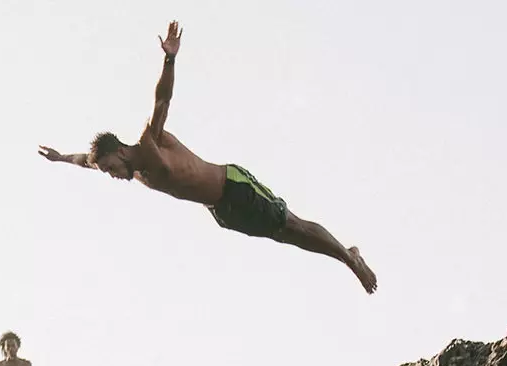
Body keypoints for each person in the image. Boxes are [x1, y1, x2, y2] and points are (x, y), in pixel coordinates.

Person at [38, 22, 376, 294]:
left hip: (233, 185)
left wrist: (169, 59)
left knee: (292, 224)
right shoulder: (134, 171)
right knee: (285, 235)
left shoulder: (149, 142)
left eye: (111, 168)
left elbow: (162, 101)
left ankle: (350, 258)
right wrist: (60, 157)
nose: (112, 175)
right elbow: (86, 159)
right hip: (222, 211)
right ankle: (346, 256)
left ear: (120, 151)